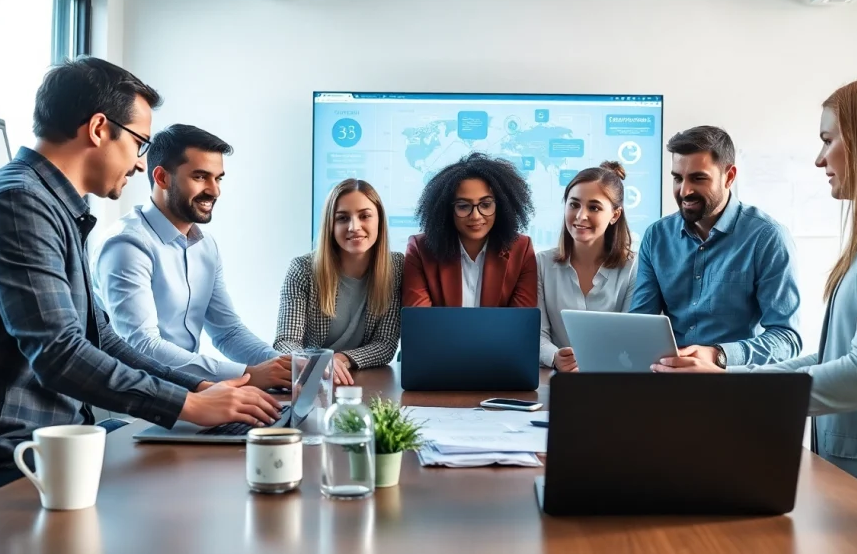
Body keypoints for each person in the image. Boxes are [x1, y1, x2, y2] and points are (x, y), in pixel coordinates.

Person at [654, 74, 857, 513]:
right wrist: (728, 385)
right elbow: (834, 354)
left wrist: (729, 386)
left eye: (828, 140)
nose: (818, 159)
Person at [0, 57, 281, 493]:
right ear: (99, 128)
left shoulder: (54, 207)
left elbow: (103, 339)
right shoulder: (19, 204)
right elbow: (61, 353)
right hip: (9, 462)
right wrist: (189, 405)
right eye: (139, 142)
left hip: (61, 447)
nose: (138, 162)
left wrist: (204, 387)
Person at [91, 124, 291, 389]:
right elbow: (142, 346)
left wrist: (290, 367)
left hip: (191, 392)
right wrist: (248, 374)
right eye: (200, 177)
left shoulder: (206, 246)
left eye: (218, 178)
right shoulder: (126, 245)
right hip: (134, 401)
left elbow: (228, 332)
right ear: (162, 178)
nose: (214, 190)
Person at [628, 125, 802, 368]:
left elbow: (787, 338)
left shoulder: (767, 238)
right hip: (669, 382)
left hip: (732, 385)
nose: (685, 191)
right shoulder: (657, 236)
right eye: (677, 178)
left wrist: (717, 355)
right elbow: (639, 325)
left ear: (729, 176)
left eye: (698, 178)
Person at [273, 179, 403, 385]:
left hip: (366, 380)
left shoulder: (396, 268)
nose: (354, 227)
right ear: (330, 225)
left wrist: (339, 360)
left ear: (379, 220)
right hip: (312, 381)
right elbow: (285, 342)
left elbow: (385, 344)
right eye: (342, 218)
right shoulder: (303, 269)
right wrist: (316, 363)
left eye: (365, 216)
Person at [537, 162, 638, 372]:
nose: (581, 216)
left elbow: (632, 337)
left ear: (615, 215)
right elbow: (537, 334)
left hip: (614, 380)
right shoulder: (542, 264)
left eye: (594, 207)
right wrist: (554, 356)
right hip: (558, 381)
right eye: (574, 204)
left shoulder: (634, 267)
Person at [402, 152, 537, 308]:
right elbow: (421, 322)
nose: (475, 216)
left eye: (485, 205)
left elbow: (520, 323)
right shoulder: (420, 250)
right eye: (463, 206)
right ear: (447, 209)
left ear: (502, 206)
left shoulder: (521, 250)